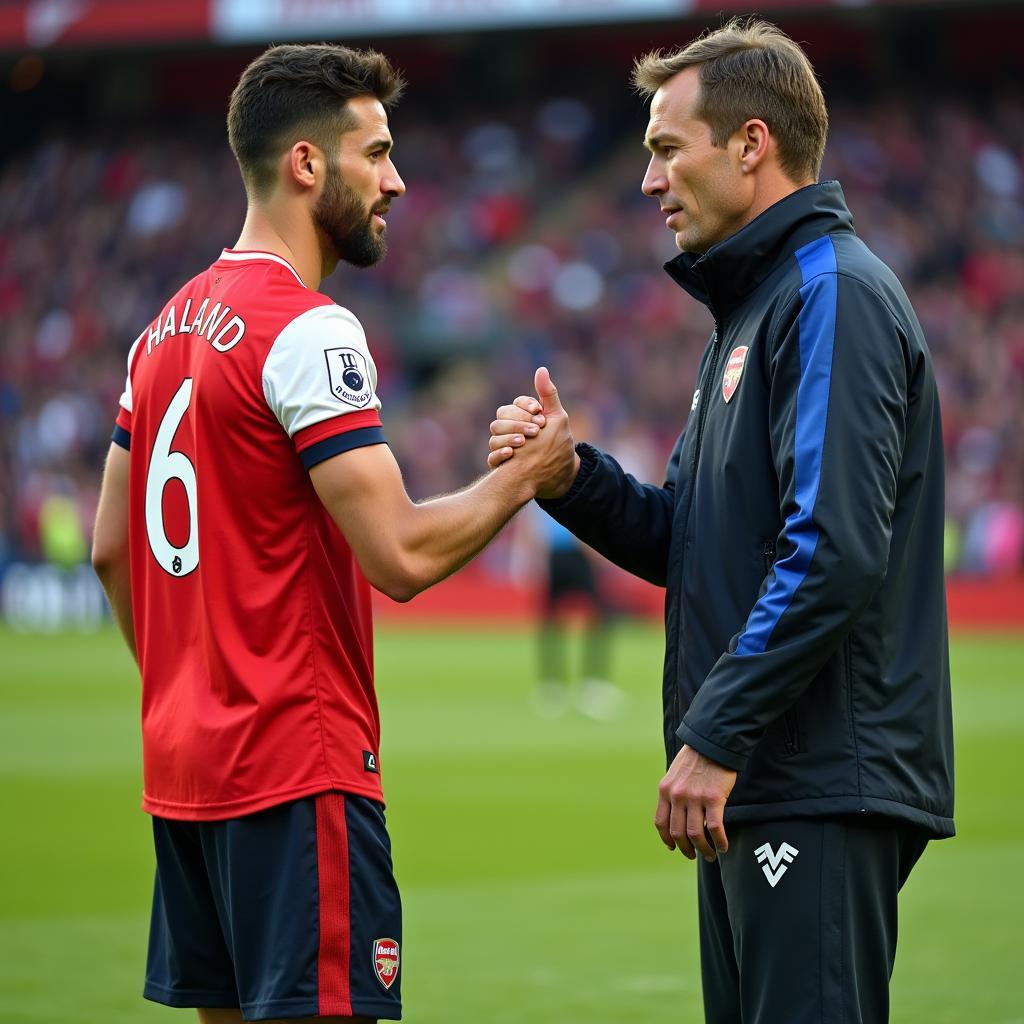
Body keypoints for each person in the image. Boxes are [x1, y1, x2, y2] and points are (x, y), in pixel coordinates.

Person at [90, 44, 571, 1024]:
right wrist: (524, 476)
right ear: (307, 165)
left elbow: (109, 546)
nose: (396, 179)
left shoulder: (160, 330)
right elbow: (397, 554)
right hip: (294, 773)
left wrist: (193, 687)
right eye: (377, 152)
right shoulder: (307, 328)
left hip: (186, 776)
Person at [488, 18, 954, 1023]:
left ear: (751, 143)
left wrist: (714, 731)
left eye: (666, 148)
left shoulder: (832, 294)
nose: (649, 180)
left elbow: (832, 544)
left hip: (817, 773)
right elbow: (696, 545)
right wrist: (569, 476)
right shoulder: (751, 313)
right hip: (765, 779)